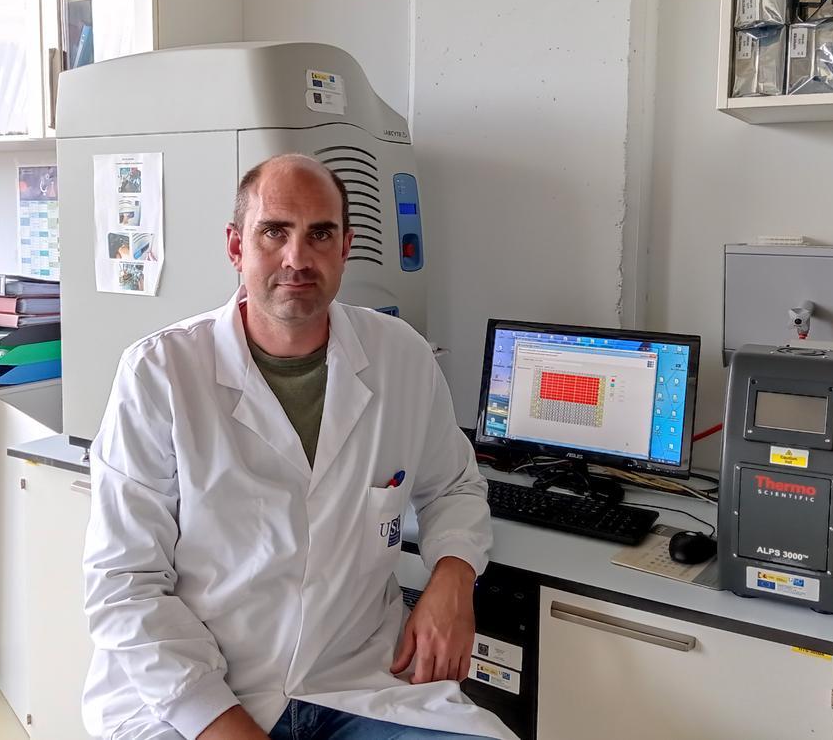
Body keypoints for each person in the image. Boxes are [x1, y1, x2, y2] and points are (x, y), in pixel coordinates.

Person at [83, 154, 515, 740]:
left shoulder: (402, 359)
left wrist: (453, 577)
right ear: (236, 247)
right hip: (194, 699)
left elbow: (455, 486)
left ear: (346, 247)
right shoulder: (159, 374)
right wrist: (219, 722)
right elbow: (124, 581)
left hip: (359, 684)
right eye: (274, 232)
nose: (297, 258)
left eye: (319, 234)